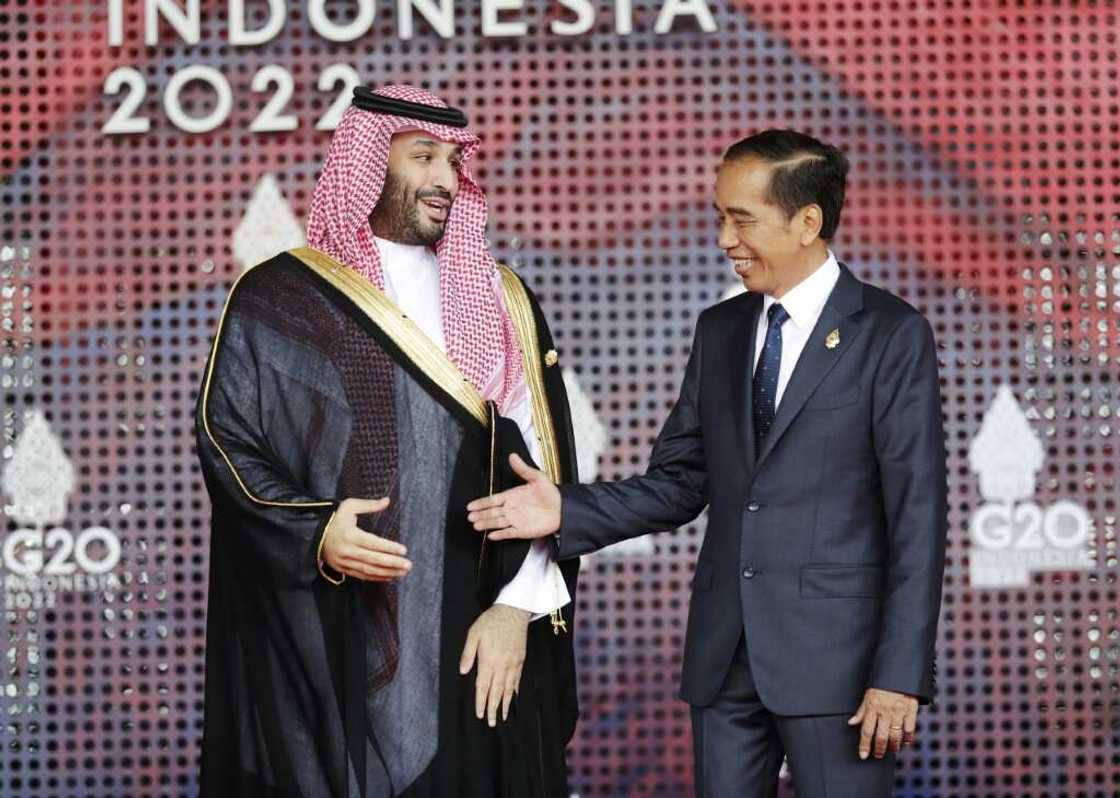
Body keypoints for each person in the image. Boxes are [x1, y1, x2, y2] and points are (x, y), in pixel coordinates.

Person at [468, 129, 947, 797]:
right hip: (725, 661)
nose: (725, 238)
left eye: (741, 218)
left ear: (807, 222)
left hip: (840, 667)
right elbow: (680, 481)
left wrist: (899, 674)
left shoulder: (891, 334)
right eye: (719, 216)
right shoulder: (720, 331)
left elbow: (917, 517)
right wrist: (564, 508)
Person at [196, 84, 581, 797]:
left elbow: (545, 475)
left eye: (454, 161)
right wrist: (315, 529)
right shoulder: (282, 297)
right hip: (340, 620)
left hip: (479, 621)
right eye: (423, 156)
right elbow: (230, 441)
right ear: (369, 162)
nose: (445, 179)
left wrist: (519, 606)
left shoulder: (502, 298)